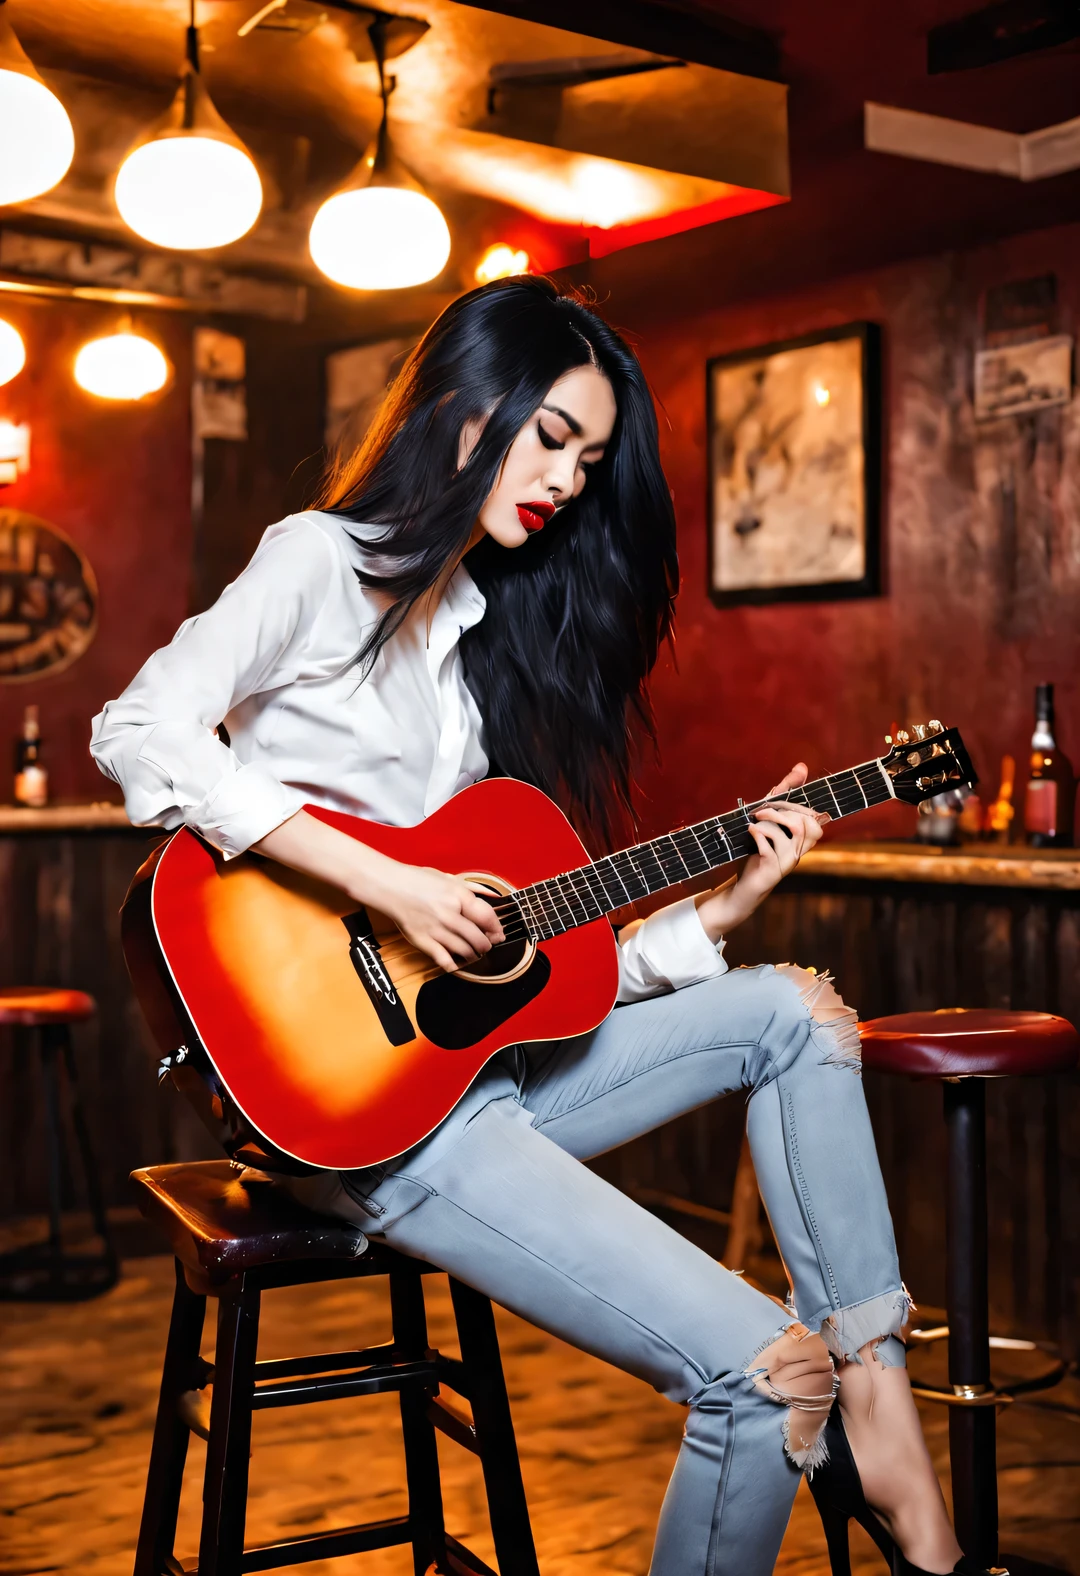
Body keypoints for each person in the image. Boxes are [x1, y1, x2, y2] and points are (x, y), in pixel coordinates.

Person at [92, 276, 980, 1576]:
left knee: (796, 1009)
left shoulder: (466, 648)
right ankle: (835, 1415)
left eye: (591, 458)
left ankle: (884, 1401)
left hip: (475, 1086)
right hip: (357, 1123)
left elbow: (530, 984)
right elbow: (140, 731)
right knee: (758, 1380)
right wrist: (390, 889)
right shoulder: (320, 562)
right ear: (465, 404)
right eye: (551, 435)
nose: (567, 479)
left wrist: (722, 908)